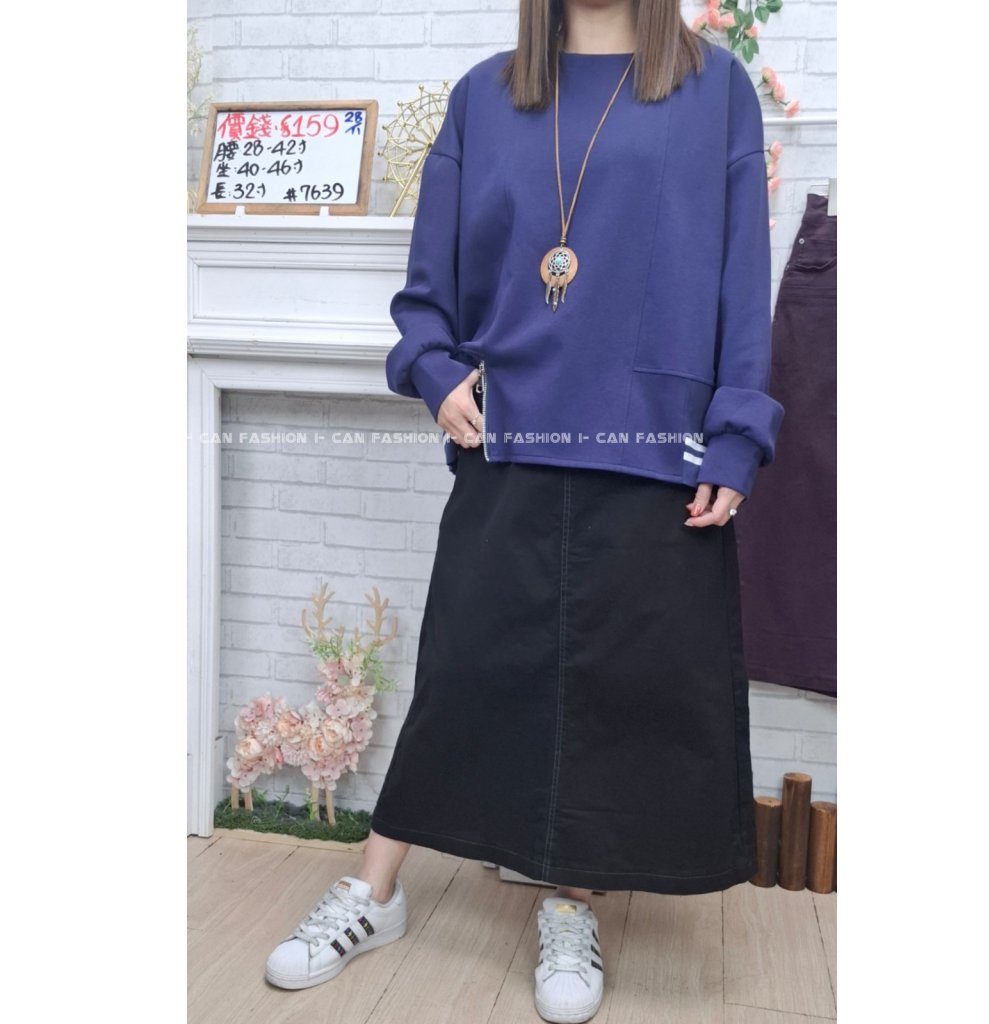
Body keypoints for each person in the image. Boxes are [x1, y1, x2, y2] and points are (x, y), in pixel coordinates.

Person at [265, 2, 784, 1022]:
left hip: (655, 443)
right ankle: (375, 890)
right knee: (462, 668)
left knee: (611, 686)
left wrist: (738, 430)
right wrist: (434, 372)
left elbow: (739, 269)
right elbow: (427, 289)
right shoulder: (483, 98)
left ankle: (569, 902)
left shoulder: (714, 89)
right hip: (511, 429)